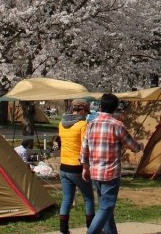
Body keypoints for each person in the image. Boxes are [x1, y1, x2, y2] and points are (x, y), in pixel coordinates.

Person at [81, 93, 142, 234]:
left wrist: (85, 168)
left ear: (101, 106)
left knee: (105, 206)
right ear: (115, 108)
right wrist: (140, 146)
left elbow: (84, 148)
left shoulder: (91, 125)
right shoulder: (117, 125)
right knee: (106, 207)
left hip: (95, 172)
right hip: (110, 172)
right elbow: (132, 145)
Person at [58, 99, 96, 234]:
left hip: (63, 166)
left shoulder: (61, 124)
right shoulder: (82, 124)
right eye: (86, 112)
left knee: (67, 199)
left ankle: (63, 230)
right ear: (82, 111)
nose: (86, 115)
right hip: (77, 167)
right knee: (89, 198)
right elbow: (84, 148)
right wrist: (86, 167)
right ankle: (91, 228)